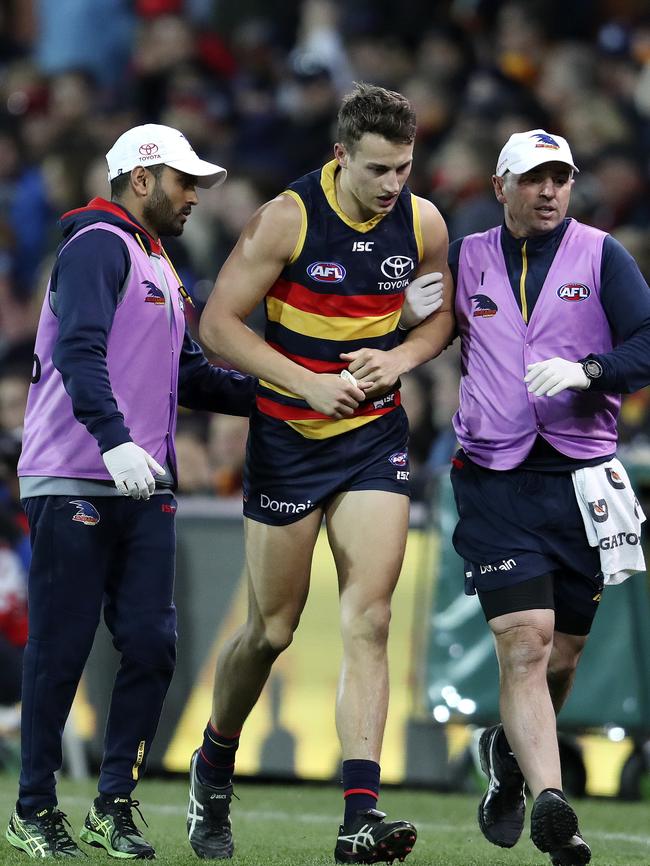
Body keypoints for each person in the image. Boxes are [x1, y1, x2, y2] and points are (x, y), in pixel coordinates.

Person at [185, 82, 454, 863]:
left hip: (372, 436)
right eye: (376, 169)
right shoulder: (287, 218)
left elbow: (440, 319)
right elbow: (217, 325)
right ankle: (214, 759)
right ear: (341, 156)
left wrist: (399, 354)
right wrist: (302, 382)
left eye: (403, 167)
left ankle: (358, 817)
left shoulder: (422, 221)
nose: (392, 185)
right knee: (271, 631)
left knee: (369, 620)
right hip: (291, 437)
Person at [5, 124, 256, 860]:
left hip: (142, 482)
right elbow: (79, 349)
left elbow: (196, 377)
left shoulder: (158, 261)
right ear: (141, 179)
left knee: (151, 643)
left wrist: (292, 395)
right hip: (76, 473)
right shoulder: (95, 246)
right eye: (184, 182)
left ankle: (113, 806)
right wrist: (114, 439)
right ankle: (33, 808)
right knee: (60, 646)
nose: (194, 197)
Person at [449, 129, 650, 866]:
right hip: (494, 475)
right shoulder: (466, 256)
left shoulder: (603, 255)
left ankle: (508, 757)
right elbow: (428, 329)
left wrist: (590, 369)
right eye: (534, 179)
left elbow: (649, 339)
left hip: (580, 479)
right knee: (526, 640)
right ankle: (553, 804)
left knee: (561, 657)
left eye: (560, 178)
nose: (549, 191)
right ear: (501, 185)